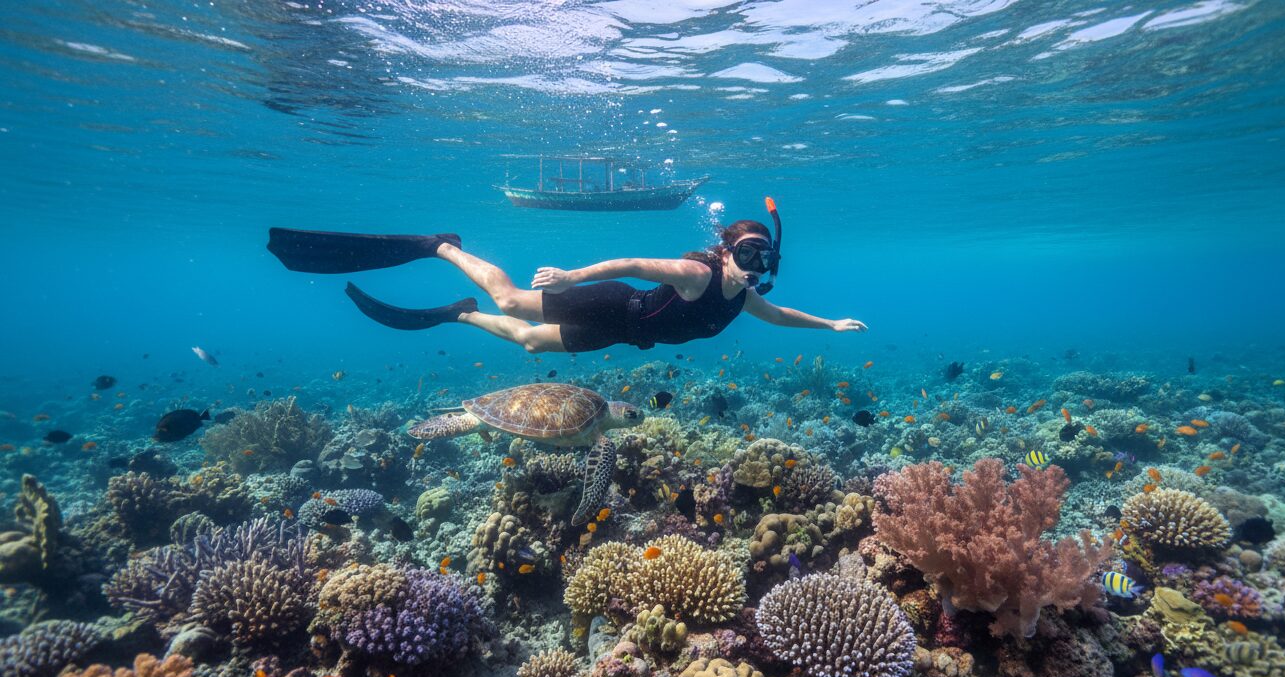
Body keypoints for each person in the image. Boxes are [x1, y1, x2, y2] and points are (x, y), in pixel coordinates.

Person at [267, 199, 866, 353]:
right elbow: (632, 264)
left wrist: (833, 322)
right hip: (613, 305)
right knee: (511, 299)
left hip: (624, 335)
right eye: (749, 254)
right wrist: (572, 275)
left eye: (766, 259)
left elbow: (783, 315)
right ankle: (442, 246)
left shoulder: (741, 299)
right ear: (729, 251)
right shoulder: (696, 273)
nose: (755, 266)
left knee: (526, 341)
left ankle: (458, 312)